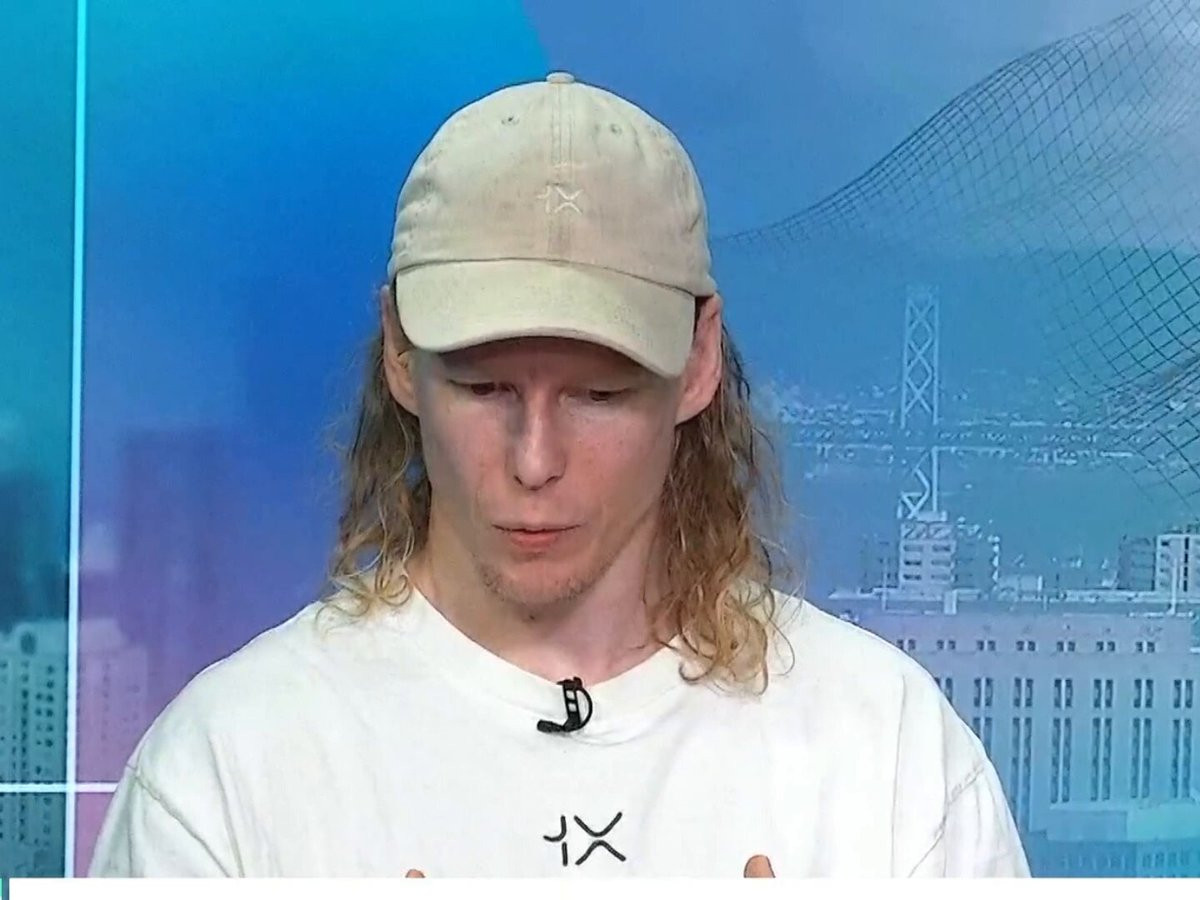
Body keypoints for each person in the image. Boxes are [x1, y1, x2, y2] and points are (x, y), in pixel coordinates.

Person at [89, 72, 1029, 878]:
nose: (534, 461)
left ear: (698, 360)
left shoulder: (888, 758)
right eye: (485, 387)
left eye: (599, 395)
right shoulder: (226, 774)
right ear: (401, 355)